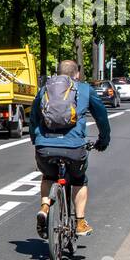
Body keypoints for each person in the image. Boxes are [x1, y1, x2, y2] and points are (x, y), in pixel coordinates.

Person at [31, 60, 110, 239]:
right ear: (77, 74)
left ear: (57, 73)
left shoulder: (45, 89)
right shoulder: (84, 89)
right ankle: (80, 222)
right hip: (74, 148)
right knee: (79, 179)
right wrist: (103, 140)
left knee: (49, 177)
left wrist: (36, 141)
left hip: (45, 147)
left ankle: (44, 207)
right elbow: (102, 117)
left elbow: (34, 119)